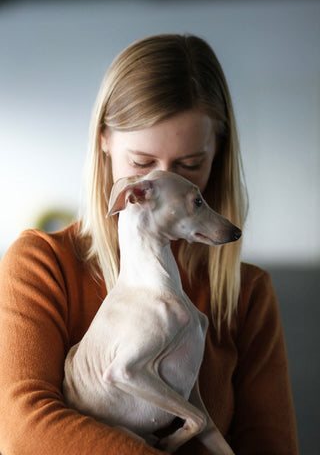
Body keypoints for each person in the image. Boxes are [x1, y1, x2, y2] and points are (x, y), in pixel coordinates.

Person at [0, 34, 299, 455]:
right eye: (141, 164)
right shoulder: (41, 265)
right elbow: (21, 431)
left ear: (217, 155)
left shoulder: (248, 294)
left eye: (189, 165)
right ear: (103, 140)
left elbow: (272, 445)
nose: (163, 185)